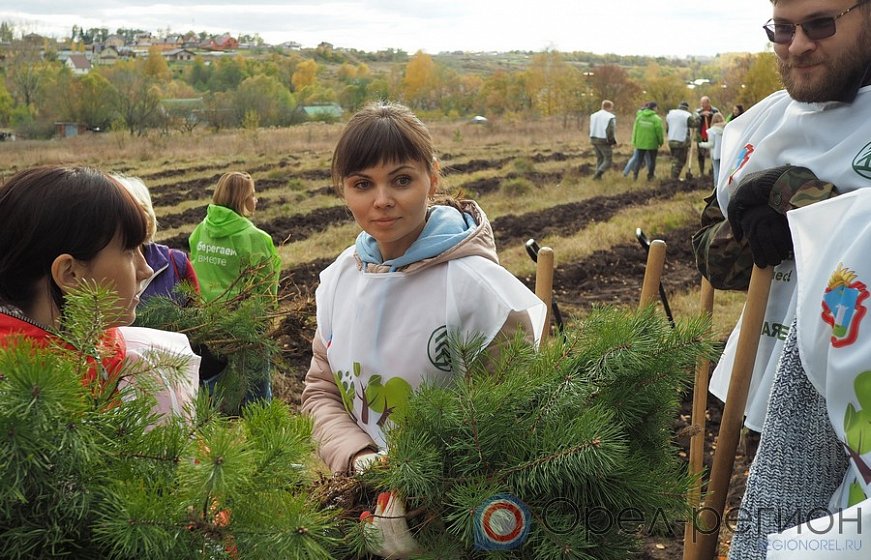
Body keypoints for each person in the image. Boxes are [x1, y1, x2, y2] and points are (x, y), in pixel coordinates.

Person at [301, 102, 547, 556]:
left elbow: (511, 428)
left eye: (401, 179)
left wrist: (421, 501)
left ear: (432, 178)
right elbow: (321, 391)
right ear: (343, 190)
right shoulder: (340, 278)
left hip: (451, 523)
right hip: (357, 503)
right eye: (362, 184)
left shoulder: (481, 293)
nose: (382, 200)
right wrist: (360, 461)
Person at [691, 0, 871, 557]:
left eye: (820, 24)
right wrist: (745, 224)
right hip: (768, 386)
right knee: (773, 541)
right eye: (783, 29)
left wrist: (798, 197)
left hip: (855, 401)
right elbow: (712, 260)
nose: (797, 45)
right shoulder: (757, 127)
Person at [0, 165, 198, 418]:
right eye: (128, 251)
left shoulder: (118, 356)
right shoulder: (21, 410)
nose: (146, 269)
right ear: (70, 274)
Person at [189, 171, 280, 402]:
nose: (256, 200)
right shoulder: (256, 239)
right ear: (241, 200)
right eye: (253, 195)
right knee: (255, 392)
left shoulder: (200, 231)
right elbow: (265, 290)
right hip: (244, 326)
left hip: (207, 323)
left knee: (212, 386)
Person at [114, 174, 200, 305]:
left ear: (148, 219)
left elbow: (198, 318)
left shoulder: (177, 264)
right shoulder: (92, 275)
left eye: (136, 216)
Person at [629, 101, 664, 181]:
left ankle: (635, 176)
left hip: (640, 142)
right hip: (652, 143)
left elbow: (635, 129)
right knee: (652, 160)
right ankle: (650, 176)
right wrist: (660, 141)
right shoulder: (656, 119)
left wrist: (634, 141)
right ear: (654, 108)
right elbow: (659, 132)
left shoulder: (639, 117)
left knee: (639, 160)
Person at [665, 101, 697, 180]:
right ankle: (674, 178)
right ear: (687, 108)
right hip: (681, 141)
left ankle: (674, 177)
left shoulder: (670, 114)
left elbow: (667, 128)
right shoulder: (687, 115)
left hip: (671, 140)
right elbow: (695, 124)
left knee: (675, 159)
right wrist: (698, 117)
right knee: (680, 160)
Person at [589, 99, 617, 181]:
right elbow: (610, 130)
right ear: (608, 107)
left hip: (593, 138)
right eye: (612, 107)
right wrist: (612, 141)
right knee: (608, 160)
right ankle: (597, 175)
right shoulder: (610, 117)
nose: (612, 109)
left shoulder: (593, 115)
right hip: (603, 140)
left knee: (600, 158)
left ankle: (598, 178)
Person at [697, 112, 725, 186]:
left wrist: (701, 144)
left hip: (715, 154)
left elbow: (711, 144)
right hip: (725, 153)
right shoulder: (726, 128)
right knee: (723, 171)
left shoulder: (712, 130)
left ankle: (716, 188)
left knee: (716, 171)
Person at [695, 95, 720, 176]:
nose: (702, 105)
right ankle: (701, 172)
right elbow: (694, 116)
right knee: (701, 154)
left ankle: (713, 171)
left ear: (708, 103)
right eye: (701, 103)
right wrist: (701, 114)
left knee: (713, 154)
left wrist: (711, 114)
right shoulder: (698, 111)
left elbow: (719, 118)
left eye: (703, 103)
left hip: (712, 135)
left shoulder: (715, 110)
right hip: (701, 135)